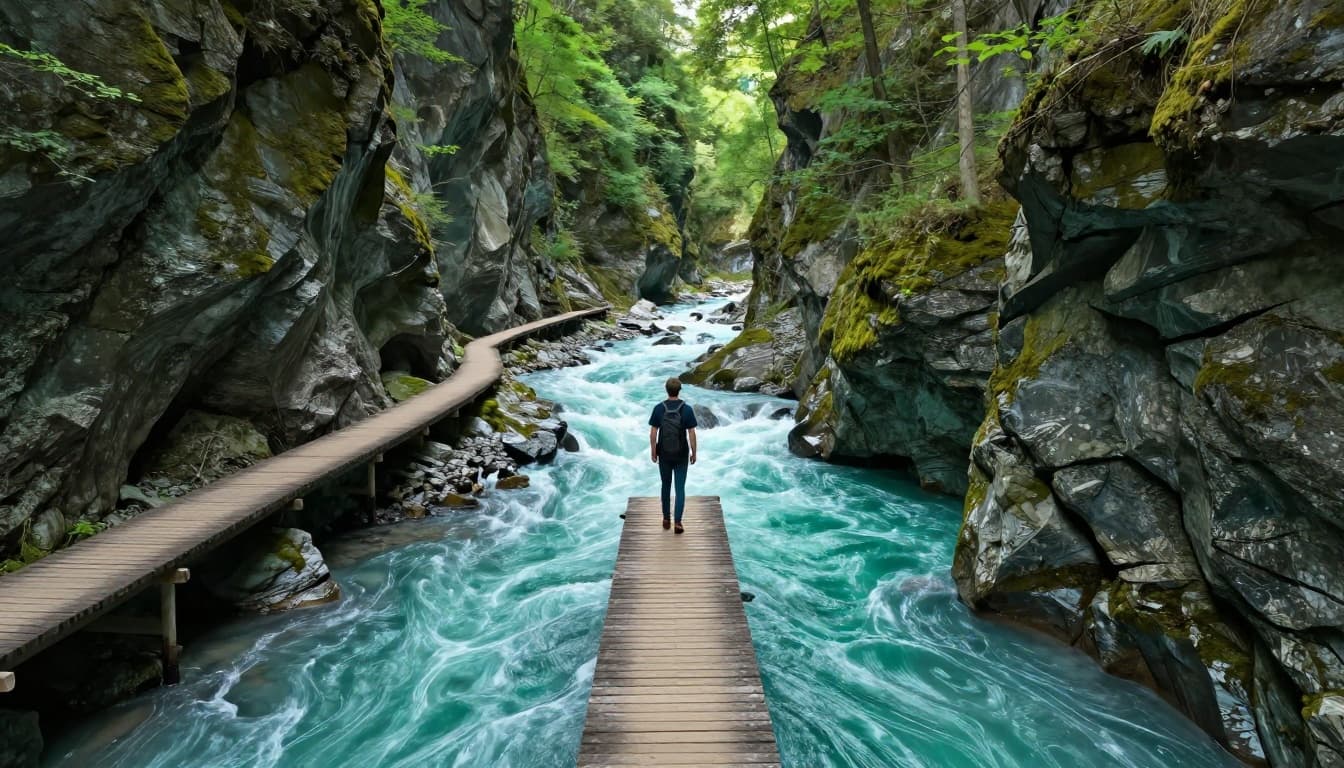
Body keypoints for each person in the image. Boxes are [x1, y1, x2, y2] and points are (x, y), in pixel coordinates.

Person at [648, 377, 697, 533]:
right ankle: (678, 523)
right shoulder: (687, 409)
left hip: (664, 453)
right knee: (680, 488)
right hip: (681, 454)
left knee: (665, 486)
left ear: (666, 390)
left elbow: (653, 432)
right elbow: (691, 433)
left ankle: (666, 519)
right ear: (679, 390)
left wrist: (653, 451)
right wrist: (694, 452)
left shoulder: (658, 408)